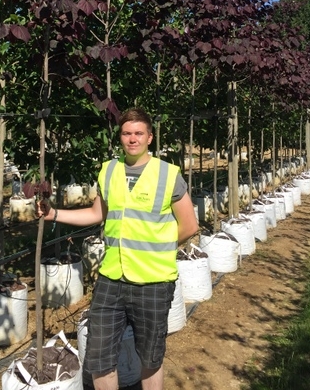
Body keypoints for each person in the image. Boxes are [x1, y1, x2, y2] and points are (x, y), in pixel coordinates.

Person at [38, 107, 199, 390]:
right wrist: (54, 214)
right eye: (126, 133)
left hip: (153, 281)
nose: (132, 139)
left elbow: (189, 225)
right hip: (111, 278)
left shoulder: (168, 175)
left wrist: (159, 249)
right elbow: (95, 214)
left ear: (150, 137)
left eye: (138, 133)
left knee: (150, 358)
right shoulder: (109, 170)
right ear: (120, 137)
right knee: (99, 358)